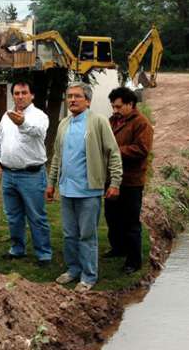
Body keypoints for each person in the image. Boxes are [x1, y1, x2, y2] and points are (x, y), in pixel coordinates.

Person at [46, 82, 122, 292]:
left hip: (89, 190)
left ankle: (89, 276)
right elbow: (57, 157)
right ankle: (73, 269)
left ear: (87, 100)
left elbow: (113, 153)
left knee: (87, 235)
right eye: (69, 96)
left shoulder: (97, 122)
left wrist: (115, 182)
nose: (72, 100)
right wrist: (51, 183)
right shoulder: (63, 124)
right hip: (67, 190)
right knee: (69, 234)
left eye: (77, 96)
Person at [0, 80, 52, 266]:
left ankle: (43, 254)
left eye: (24, 92)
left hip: (31, 175)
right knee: (13, 216)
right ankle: (17, 249)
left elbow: (39, 133)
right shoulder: (6, 116)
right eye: (16, 93)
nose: (20, 96)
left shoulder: (39, 116)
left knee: (36, 216)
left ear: (32, 95)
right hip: (8, 175)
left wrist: (23, 123)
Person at [104, 87, 154, 274]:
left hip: (131, 181)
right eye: (113, 107)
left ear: (130, 104)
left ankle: (134, 261)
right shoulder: (112, 121)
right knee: (112, 217)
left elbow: (141, 149)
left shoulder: (142, 123)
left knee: (130, 222)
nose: (115, 110)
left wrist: (115, 151)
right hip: (112, 179)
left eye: (118, 107)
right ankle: (118, 249)